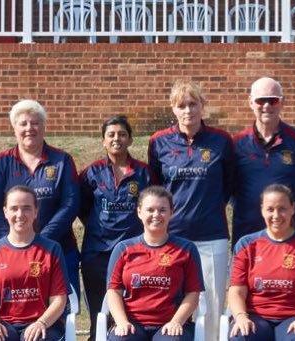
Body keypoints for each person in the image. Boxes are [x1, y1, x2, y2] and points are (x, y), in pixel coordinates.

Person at [148, 79, 235, 341]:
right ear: (173, 109)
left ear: (202, 106)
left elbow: (229, 184)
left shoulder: (220, 140)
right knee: (171, 302)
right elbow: (156, 187)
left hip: (211, 236)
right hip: (171, 236)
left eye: (193, 104)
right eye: (181, 105)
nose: (188, 111)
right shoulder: (159, 142)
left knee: (213, 302)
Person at [0, 99, 81, 299]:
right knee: (15, 308)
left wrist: (42, 241)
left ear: (44, 126)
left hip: (58, 249)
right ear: (14, 128)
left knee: (61, 307)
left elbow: (71, 204)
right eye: (23, 123)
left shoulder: (62, 161)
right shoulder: (1, 163)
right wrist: (13, 241)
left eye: (35, 123)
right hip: (10, 254)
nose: (29, 128)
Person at [227, 184, 295, 341]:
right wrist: (241, 317)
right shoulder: (246, 244)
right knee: (241, 336)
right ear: (262, 210)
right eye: (270, 209)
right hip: (255, 316)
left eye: (282, 208)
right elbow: (236, 291)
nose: (276, 215)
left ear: (293, 209)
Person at [79, 115, 152, 341]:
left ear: (130, 139)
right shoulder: (91, 173)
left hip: (133, 253)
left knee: (128, 311)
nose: (116, 139)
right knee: (98, 314)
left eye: (122, 134)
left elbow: (151, 206)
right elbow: (82, 208)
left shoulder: (144, 173)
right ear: (103, 141)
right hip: (97, 252)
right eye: (111, 135)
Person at [105, 186, 205, 341]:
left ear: (172, 212)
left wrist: (176, 322)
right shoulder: (123, 249)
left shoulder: (186, 249)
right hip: (132, 324)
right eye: (150, 210)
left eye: (162, 210)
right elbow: (113, 291)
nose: (156, 215)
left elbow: (193, 293)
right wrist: (121, 322)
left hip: (170, 324)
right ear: (139, 212)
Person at [0, 186, 71, 341]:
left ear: (35, 212)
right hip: (3, 324)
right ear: (5, 212)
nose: (20, 214)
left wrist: (41, 323)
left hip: (43, 324)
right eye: (14, 209)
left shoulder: (52, 249)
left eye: (26, 208)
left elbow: (59, 299)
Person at [231, 77, 295, 244]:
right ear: (250, 102)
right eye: (261, 100)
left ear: (282, 102)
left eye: (273, 100)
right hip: (247, 234)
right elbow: (229, 187)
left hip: (290, 234)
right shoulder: (237, 145)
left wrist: (290, 208)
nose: (267, 106)